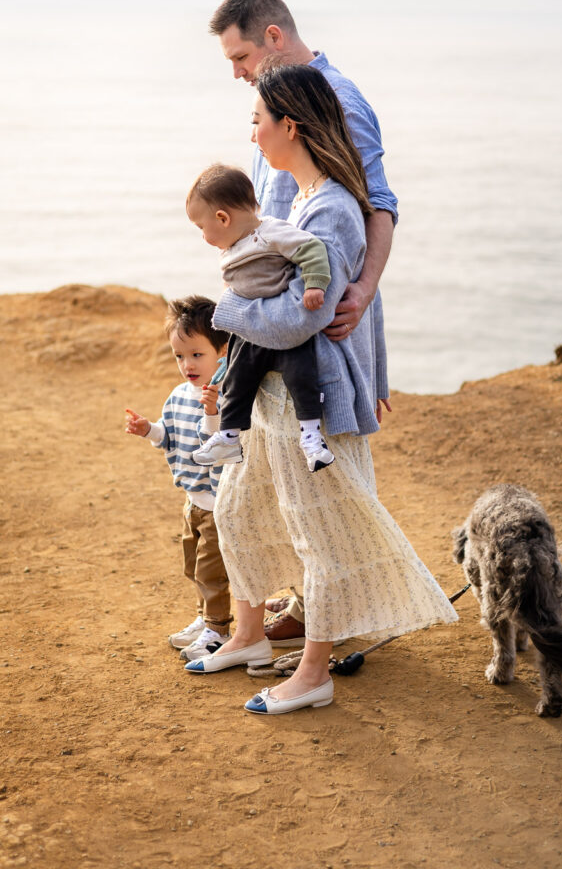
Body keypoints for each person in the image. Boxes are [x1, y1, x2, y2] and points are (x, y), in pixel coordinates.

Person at [183, 64, 458, 715]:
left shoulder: (332, 208)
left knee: (319, 540)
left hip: (311, 398)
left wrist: (225, 313)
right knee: (236, 510)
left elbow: (300, 318)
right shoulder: (297, 199)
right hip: (270, 397)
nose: (250, 134)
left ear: (290, 126)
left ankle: (313, 673)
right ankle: (249, 636)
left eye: (257, 120)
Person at [209, 0, 398, 644]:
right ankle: (310, 608)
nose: (235, 72)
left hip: (321, 310)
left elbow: (375, 203)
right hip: (285, 312)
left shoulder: (337, 102)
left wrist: (364, 290)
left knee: (333, 483)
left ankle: (350, 622)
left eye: (239, 56)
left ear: (271, 36)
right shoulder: (278, 106)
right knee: (285, 481)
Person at [186, 162, 336, 473]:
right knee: (237, 380)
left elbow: (312, 249)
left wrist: (314, 284)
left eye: (202, 228)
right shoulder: (232, 246)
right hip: (252, 331)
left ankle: (311, 437)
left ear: (223, 218)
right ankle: (228, 436)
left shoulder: (270, 231)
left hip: (279, 324)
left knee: (302, 376)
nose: (203, 237)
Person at [124, 296, 234, 662]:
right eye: (179, 356)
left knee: (212, 571)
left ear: (222, 350)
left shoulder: (223, 396)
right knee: (192, 565)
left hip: (220, 504)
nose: (187, 364)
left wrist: (212, 411)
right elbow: (168, 437)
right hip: (193, 499)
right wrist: (147, 430)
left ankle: (218, 629)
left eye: (197, 355)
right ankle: (204, 619)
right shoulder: (177, 396)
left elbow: (218, 443)